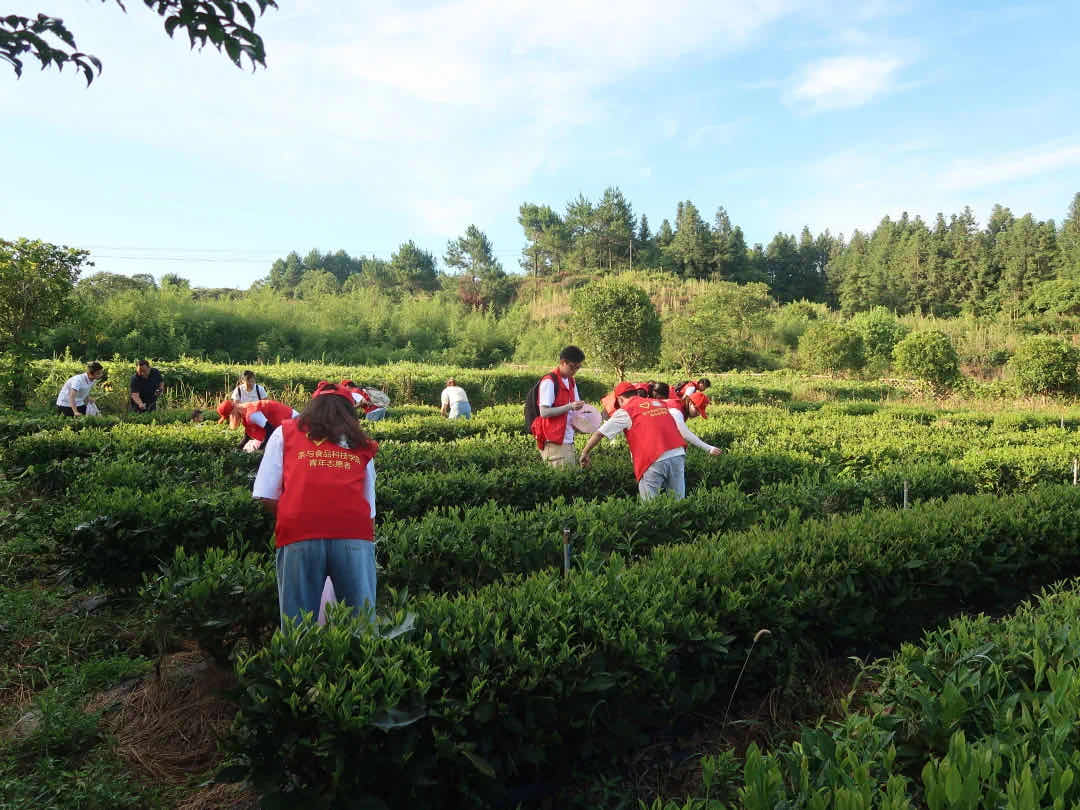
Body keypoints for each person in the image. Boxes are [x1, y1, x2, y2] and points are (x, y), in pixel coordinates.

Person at [251, 381, 379, 627]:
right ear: (348, 412)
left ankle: (301, 663)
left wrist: (297, 516)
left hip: (298, 533)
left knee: (297, 625)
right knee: (361, 625)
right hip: (353, 534)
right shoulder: (360, 442)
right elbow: (370, 507)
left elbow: (266, 494)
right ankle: (360, 664)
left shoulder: (284, 432)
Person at [579, 382, 721, 501]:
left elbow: (599, 433)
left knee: (650, 508)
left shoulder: (626, 410)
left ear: (620, 399)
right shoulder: (657, 403)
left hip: (654, 459)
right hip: (677, 454)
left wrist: (585, 452)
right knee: (678, 503)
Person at [530, 345, 586, 467]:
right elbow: (544, 412)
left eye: (578, 368)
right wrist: (570, 406)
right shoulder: (549, 381)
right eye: (572, 367)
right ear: (562, 362)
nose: (574, 371)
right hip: (554, 441)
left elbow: (576, 408)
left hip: (568, 439)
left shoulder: (571, 381)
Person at [217, 398, 299, 450]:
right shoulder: (244, 412)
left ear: (233, 412)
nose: (229, 420)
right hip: (285, 422)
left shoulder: (252, 414)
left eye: (228, 417)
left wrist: (260, 450)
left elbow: (270, 430)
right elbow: (247, 435)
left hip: (292, 420)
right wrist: (237, 448)